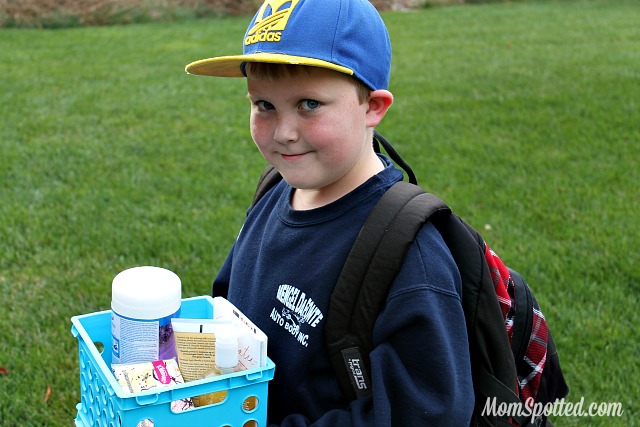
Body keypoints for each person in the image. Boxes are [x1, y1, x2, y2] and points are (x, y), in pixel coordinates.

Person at [185, 0, 474, 425]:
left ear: (373, 106)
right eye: (264, 105)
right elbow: (229, 307)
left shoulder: (408, 257)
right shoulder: (275, 191)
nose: (283, 133)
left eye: (309, 104)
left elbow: (428, 414)